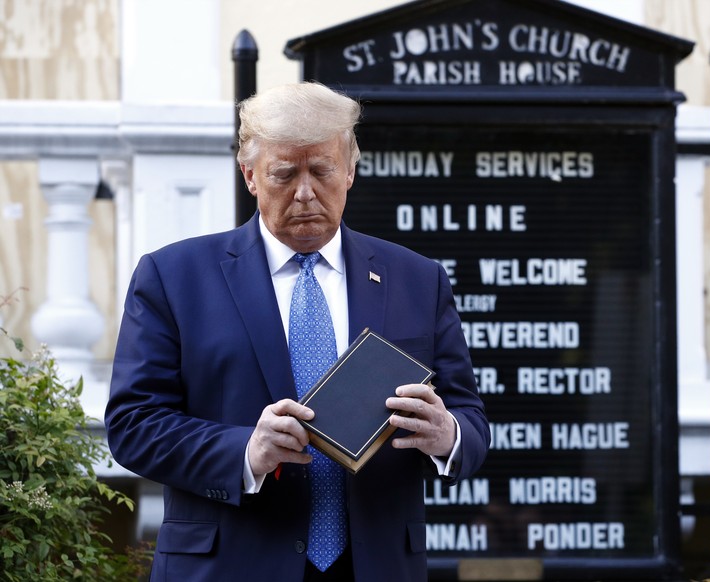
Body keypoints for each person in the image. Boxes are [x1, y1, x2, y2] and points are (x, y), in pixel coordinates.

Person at [105, 82, 490, 582]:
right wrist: (245, 451)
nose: (305, 192)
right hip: (229, 566)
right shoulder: (173, 277)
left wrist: (448, 435)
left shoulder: (418, 280)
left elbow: (472, 423)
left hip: (376, 566)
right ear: (250, 175)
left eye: (322, 171)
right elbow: (133, 425)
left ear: (350, 169)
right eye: (284, 174)